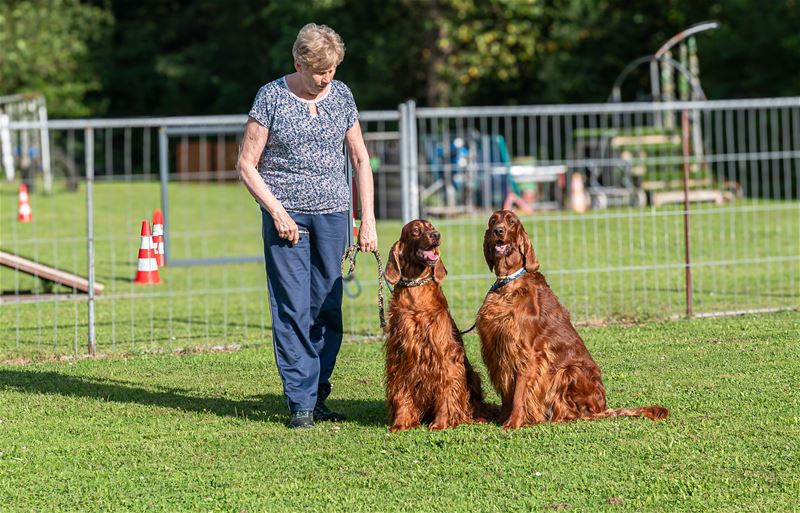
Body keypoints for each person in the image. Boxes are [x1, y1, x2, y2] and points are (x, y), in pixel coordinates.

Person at [237, 23, 377, 429]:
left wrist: (366, 218)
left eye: (332, 70)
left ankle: (319, 395)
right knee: (293, 308)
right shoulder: (271, 97)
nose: (326, 79)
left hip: (334, 215)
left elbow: (361, 160)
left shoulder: (342, 95)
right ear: (298, 63)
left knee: (327, 307)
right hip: (288, 219)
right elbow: (247, 164)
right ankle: (300, 401)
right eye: (319, 72)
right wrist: (277, 211)